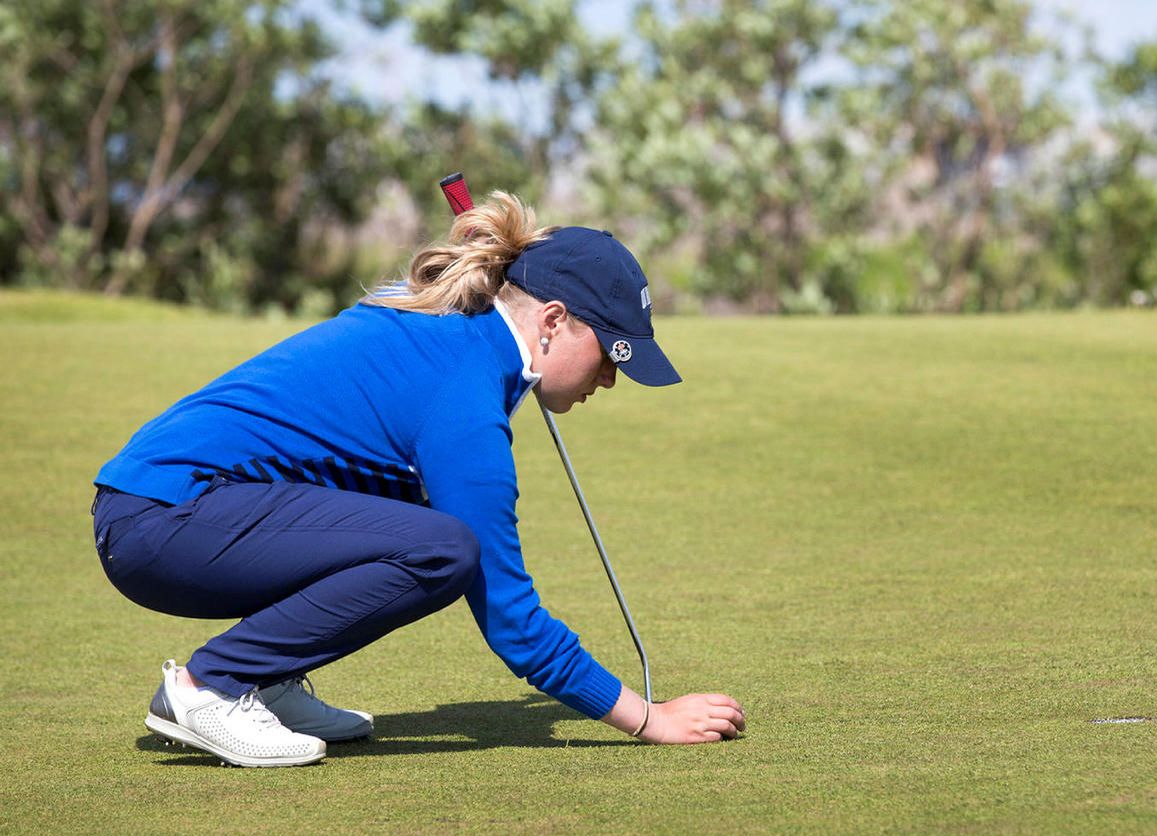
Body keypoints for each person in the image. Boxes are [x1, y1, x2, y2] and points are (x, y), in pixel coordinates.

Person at [91, 192, 746, 766]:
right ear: (551, 321)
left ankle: (266, 675)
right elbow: (512, 621)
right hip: (163, 520)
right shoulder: (463, 404)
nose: (610, 378)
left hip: (167, 511)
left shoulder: (449, 329)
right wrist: (646, 717)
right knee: (444, 547)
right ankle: (215, 685)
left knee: (411, 506)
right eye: (610, 354)